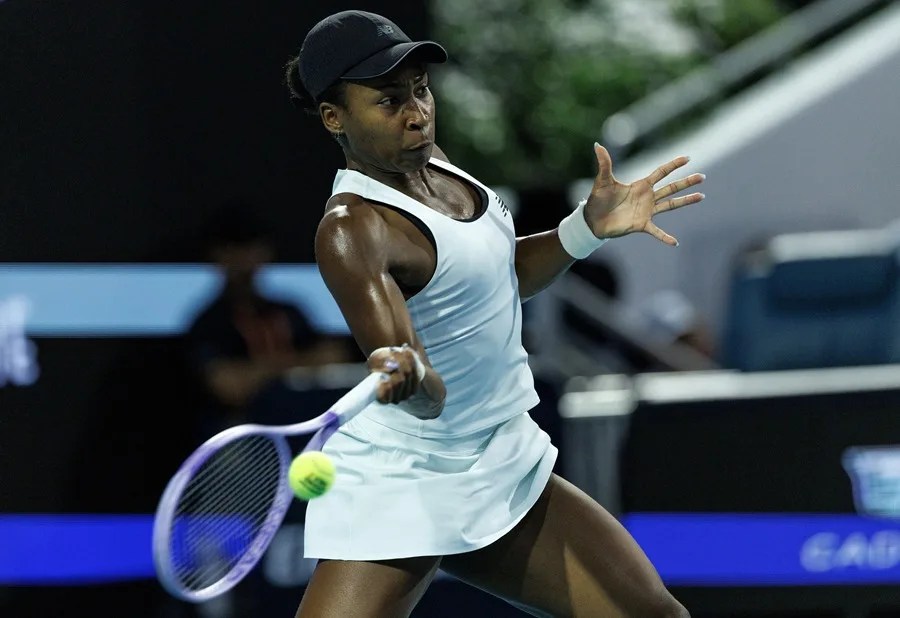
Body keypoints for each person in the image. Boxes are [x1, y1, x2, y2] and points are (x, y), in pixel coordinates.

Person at [283, 11, 705, 617]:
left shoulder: (432, 164)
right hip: (408, 478)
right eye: (387, 100)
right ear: (334, 118)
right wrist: (408, 374)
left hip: (500, 456)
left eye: (420, 89)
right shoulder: (353, 229)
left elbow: (494, 276)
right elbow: (420, 389)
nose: (416, 112)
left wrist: (585, 229)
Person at [185, 201, 351, 435]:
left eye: (252, 249)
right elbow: (230, 386)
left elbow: (333, 357)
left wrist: (262, 371)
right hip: (244, 433)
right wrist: (298, 366)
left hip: (307, 423)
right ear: (216, 256)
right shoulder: (209, 322)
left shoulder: (290, 311)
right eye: (233, 250)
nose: (244, 261)